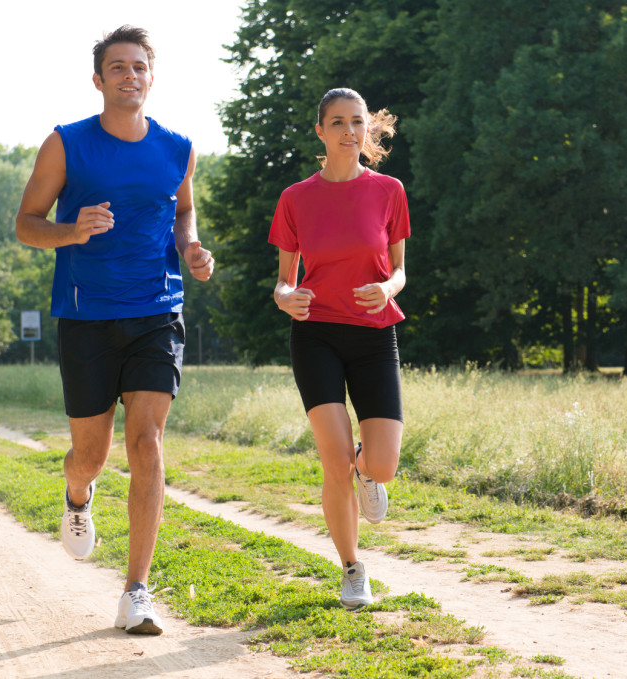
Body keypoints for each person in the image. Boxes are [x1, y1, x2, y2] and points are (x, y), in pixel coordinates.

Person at [15, 25, 214, 635]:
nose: (130, 75)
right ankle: (77, 498)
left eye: (140, 66)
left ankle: (137, 591)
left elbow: (181, 210)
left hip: (158, 310)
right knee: (90, 455)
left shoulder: (178, 147)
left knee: (147, 442)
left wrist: (193, 246)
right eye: (118, 67)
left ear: (152, 78)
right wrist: (71, 230)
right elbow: (26, 223)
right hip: (87, 316)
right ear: (98, 80)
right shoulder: (67, 144)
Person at [269, 87, 409, 611]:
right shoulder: (295, 198)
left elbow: (398, 269)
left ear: (368, 130)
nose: (350, 131)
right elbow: (283, 281)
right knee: (333, 460)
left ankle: (368, 472)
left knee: (384, 464)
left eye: (358, 122)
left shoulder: (390, 191)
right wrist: (287, 298)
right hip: (317, 335)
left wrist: (389, 289)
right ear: (321, 132)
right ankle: (353, 569)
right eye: (338, 122)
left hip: (374, 333)